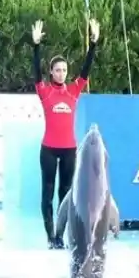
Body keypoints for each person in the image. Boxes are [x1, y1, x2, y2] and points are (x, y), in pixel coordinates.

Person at [32, 18, 100, 249]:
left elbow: (86, 70)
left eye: (64, 70)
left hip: (69, 149)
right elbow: (36, 73)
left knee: (66, 193)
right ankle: (51, 237)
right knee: (47, 193)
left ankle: (61, 235)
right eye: (57, 70)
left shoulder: (73, 91)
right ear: (51, 72)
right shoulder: (45, 92)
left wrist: (93, 43)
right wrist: (36, 46)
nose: (61, 74)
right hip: (49, 150)